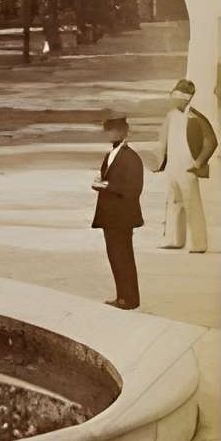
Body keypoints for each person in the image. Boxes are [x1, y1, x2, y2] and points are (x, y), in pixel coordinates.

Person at [153, 78, 217, 255]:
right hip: (173, 166)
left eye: (176, 97)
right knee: (174, 203)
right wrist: (161, 162)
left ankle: (199, 243)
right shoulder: (171, 116)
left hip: (188, 167)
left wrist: (198, 163)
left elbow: (211, 141)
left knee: (192, 204)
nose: (173, 100)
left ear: (186, 98)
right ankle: (174, 240)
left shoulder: (196, 117)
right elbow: (164, 141)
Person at [91, 111, 144, 309]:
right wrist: (101, 184)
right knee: (116, 257)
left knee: (123, 257)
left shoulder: (130, 157)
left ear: (124, 132)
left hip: (122, 217)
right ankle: (123, 296)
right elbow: (107, 180)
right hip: (111, 216)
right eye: (108, 130)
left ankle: (128, 299)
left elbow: (134, 189)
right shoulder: (110, 155)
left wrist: (107, 187)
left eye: (114, 130)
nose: (110, 134)